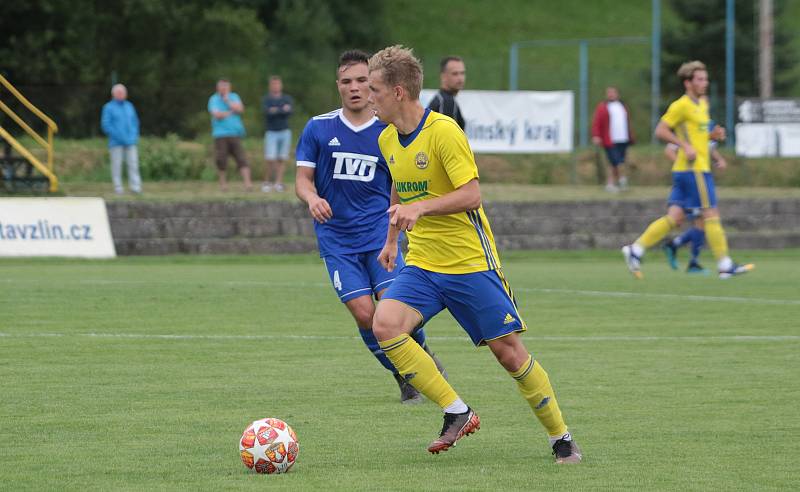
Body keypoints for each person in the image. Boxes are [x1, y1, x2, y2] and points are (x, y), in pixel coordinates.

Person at [367, 45, 581, 463]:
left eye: (373, 89)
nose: (366, 97)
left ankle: (561, 438)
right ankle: (456, 411)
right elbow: (399, 182)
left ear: (397, 92)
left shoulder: (444, 131)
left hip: (470, 264)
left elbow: (472, 194)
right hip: (424, 264)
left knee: (509, 353)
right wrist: (392, 238)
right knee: (386, 325)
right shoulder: (387, 137)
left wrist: (420, 207)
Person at [294, 50, 446, 404]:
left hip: (380, 235)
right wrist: (312, 198)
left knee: (397, 313)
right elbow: (302, 180)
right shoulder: (319, 128)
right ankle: (405, 374)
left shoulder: (388, 129)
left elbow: (401, 182)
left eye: (362, 80)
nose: (355, 88)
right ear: (338, 86)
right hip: (337, 241)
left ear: (374, 83)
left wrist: (401, 227)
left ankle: (421, 361)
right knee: (365, 314)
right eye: (346, 81)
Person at [622, 60, 753, 279]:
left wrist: (713, 136)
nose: (705, 83)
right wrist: (684, 146)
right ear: (688, 83)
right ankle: (725, 264)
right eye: (700, 79)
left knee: (675, 218)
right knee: (711, 212)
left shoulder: (702, 104)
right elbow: (661, 131)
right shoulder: (680, 105)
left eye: (706, 79)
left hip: (685, 170)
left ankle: (636, 250)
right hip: (695, 170)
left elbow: (698, 134)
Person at [662, 119, 728, 274]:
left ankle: (678, 248)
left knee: (702, 221)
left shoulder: (709, 124)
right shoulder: (689, 124)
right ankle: (691, 260)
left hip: (701, 181)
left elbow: (708, 148)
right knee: (701, 220)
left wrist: (719, 159)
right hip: (691, 181)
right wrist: (684, 167)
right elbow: (669, 150)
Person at [208, 78, 252, 191]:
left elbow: (240, 109)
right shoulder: (213, 99)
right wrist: (230, 111)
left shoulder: (234, 96)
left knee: (241, 158)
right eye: (221, 86)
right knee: (221, 159)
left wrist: (227, 101)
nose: (223, 88)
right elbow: (217, 115)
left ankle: (248, 184)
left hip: (235, 133)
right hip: (220, 134)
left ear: (229, 87)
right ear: (218, 87)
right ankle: (223, 185)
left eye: (225, 86)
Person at [101, 84, 142, 195]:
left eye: (123, 92)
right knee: (117, 165)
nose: (121, 95)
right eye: (119, 93)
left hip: (131, 142)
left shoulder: (129, 106)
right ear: (113, 94)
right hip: (116, 142)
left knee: (133, 164)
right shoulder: (108, 107)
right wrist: (119, 136)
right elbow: (106, 125)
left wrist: (133, 137)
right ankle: (118, 188)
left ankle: (135, 187)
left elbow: (135, 123)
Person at [591, 86, 634, 192]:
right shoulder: (603, 107)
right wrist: (596, 135)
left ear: (617, 94)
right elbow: (597, 122)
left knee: (619, 162)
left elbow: (627, 122)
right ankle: (620, 181)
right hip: (610, 140)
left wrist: (630, 135)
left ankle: (614, 183)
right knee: (615, 161)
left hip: (623, 138)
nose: (610, 94)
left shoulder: (622, 106)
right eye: (609, 92)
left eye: (613, 92)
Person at [262, 76, 294, 192]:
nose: (275, 86)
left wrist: (275, 110)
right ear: (270, 86)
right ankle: (267, 182)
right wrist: (282, 110)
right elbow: (267, 113)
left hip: (285, 131)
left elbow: (290, 111)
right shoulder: (267, 99)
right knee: (270, 159)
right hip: (271, 132)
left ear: (281, 85)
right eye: (273, 84)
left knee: (282, 158)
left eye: (277, 84)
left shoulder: (287, 98)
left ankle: (278, 183)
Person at [426, 56, 466, 130]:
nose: (460, 78)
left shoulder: (441, 98)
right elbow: (446, 137)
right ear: (443, 76)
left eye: (462, 73)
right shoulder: (446, 101)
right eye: (455, 74)